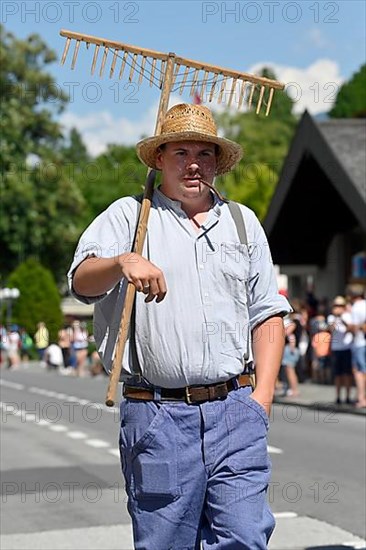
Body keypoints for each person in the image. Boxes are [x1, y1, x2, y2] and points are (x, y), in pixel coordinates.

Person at [68, 103, 292, 549]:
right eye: (180, 152)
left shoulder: (242, 223)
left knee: (246, 537)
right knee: (165, 543)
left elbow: (267, 313)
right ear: (158, 159)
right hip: (158, 415)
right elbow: (81, 281)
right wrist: (122, 261)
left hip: (236, 410)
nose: (194, 164)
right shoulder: (128, 217)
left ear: (217, 161)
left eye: (204, 154)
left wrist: (261, 400)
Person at [327, 296, 354, 404]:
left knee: (347, 374)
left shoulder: (348, 316)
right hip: (336, 348)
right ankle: (338, 396)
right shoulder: (331, 317)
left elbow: (350, 329)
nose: (338, 308)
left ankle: (347, 397)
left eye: (340, 306)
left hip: (347, 347)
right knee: (338, 374)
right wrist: (335, 318)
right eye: (336, 306)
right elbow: (331, 329)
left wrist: (342, 317)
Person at [347, 285, 366, 408]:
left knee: (359, 372)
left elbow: (353, 328)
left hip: (359, 343)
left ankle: (361, 398)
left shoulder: (356, 307)